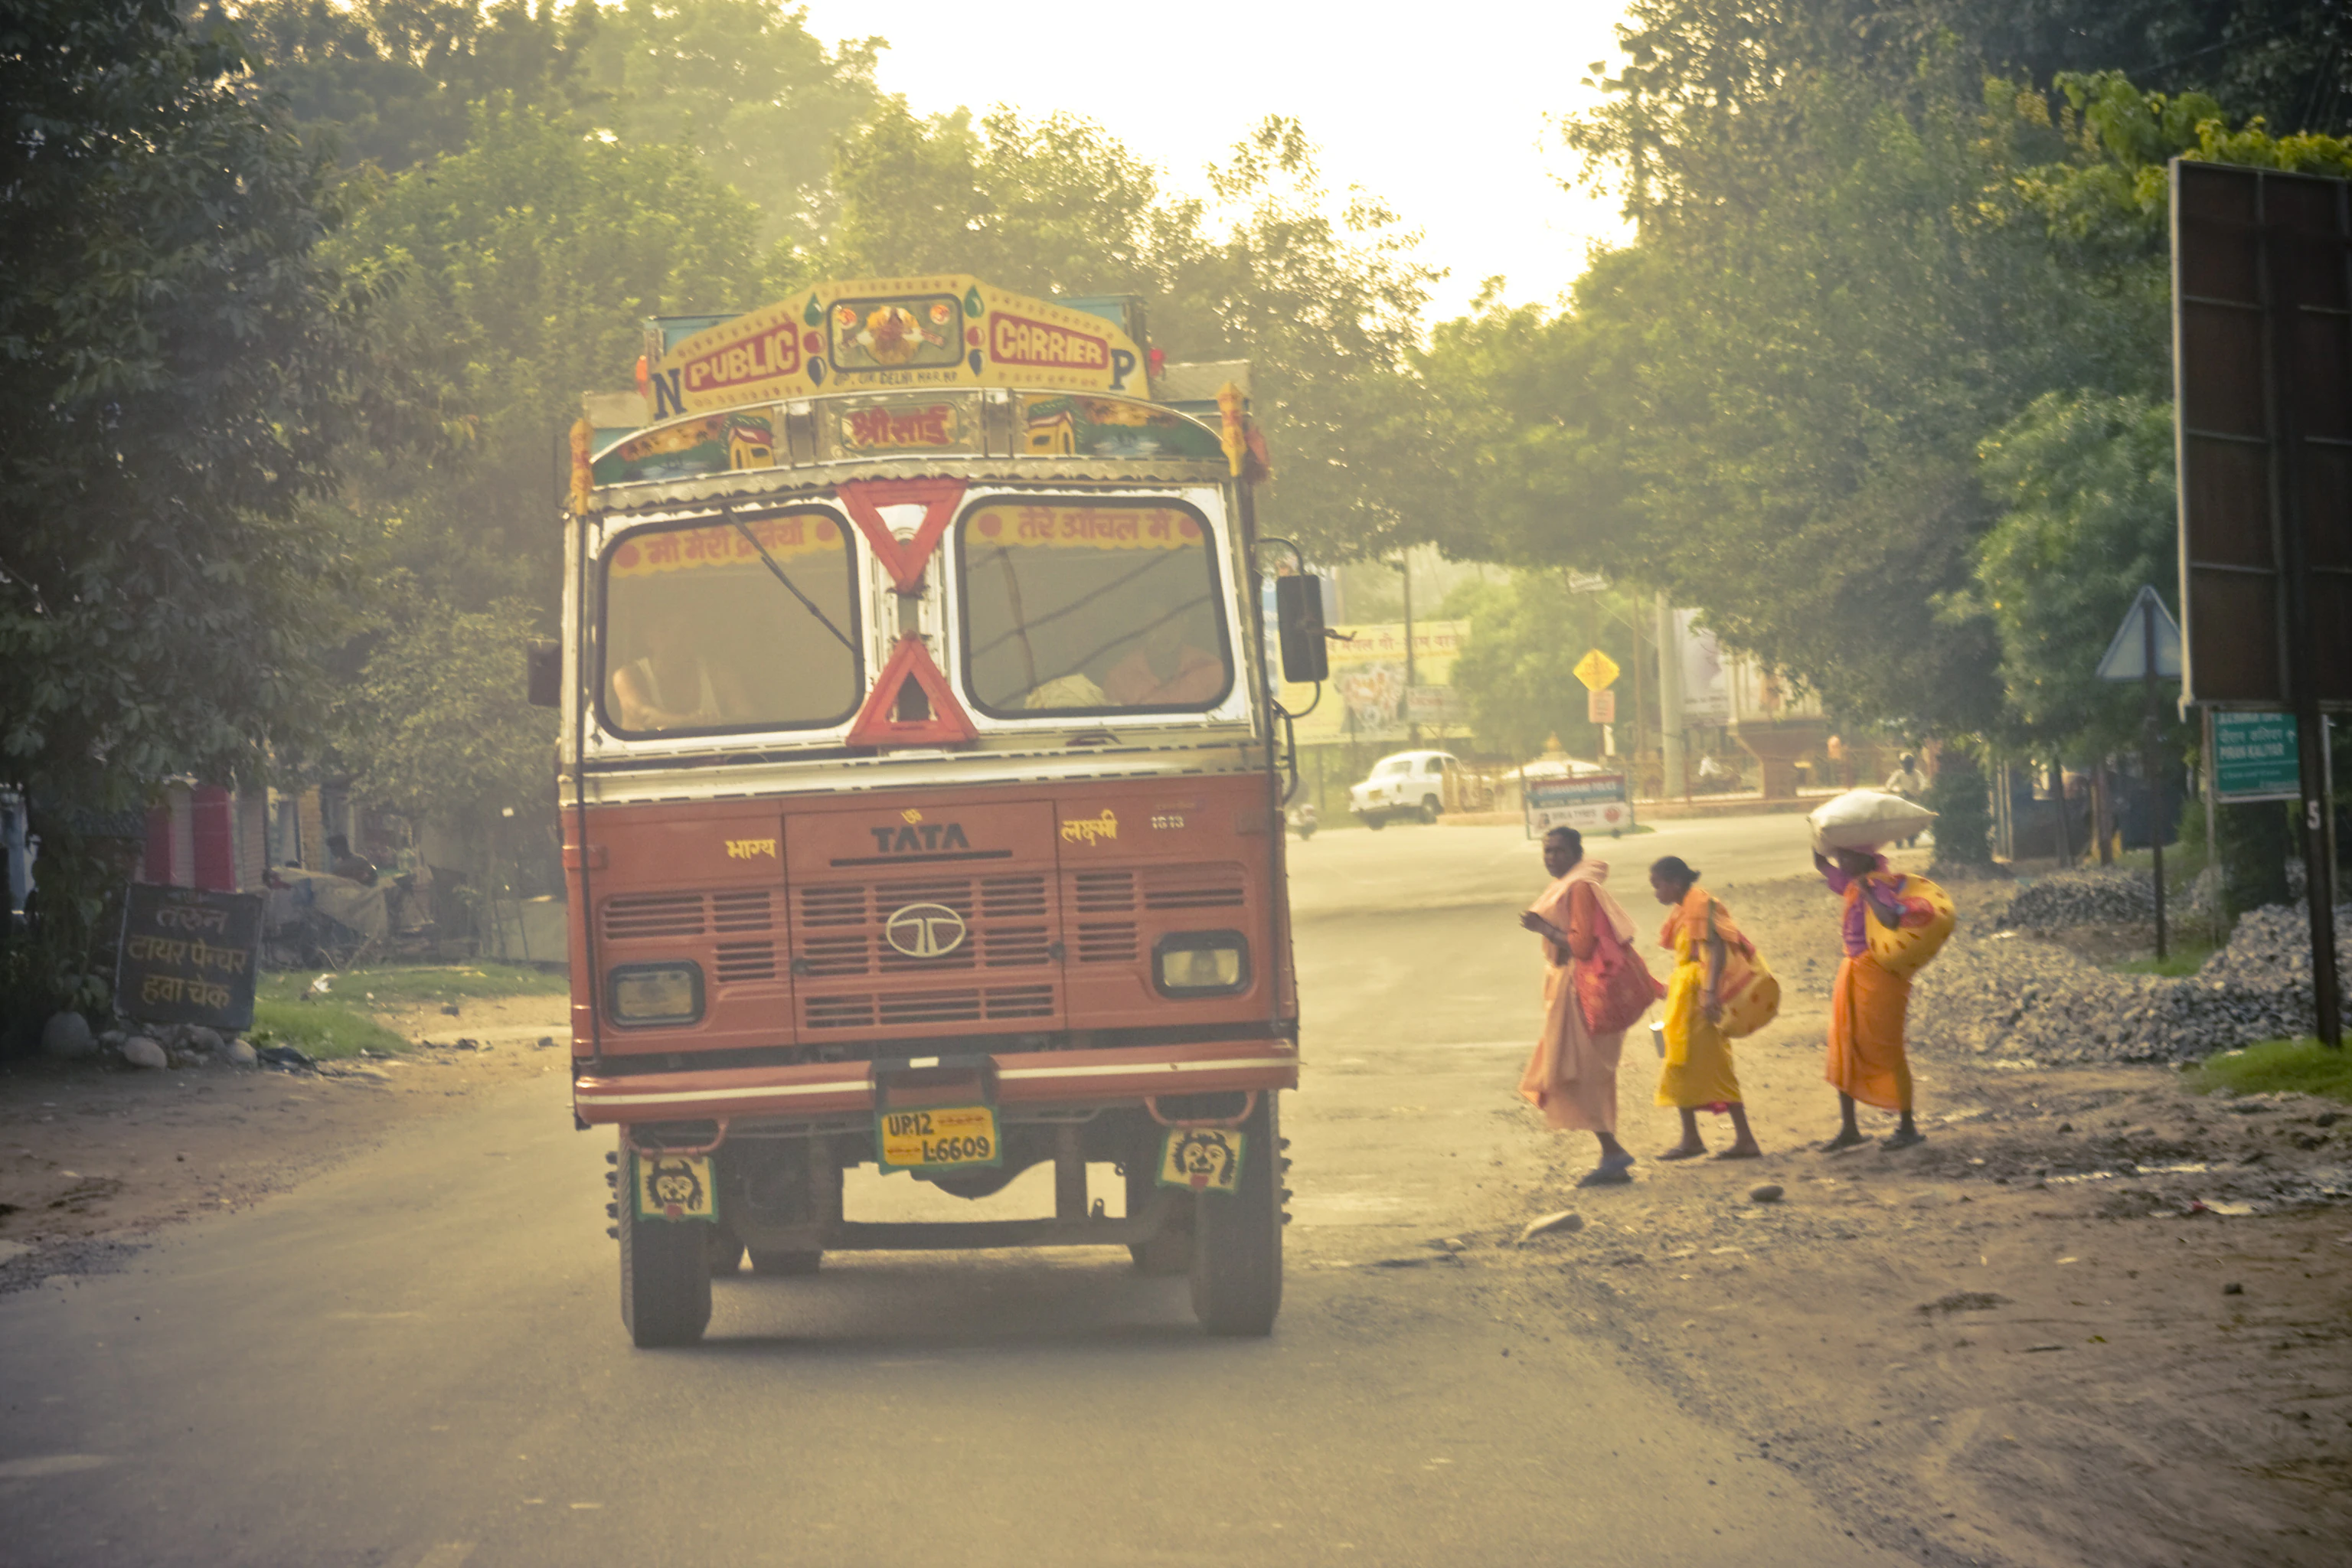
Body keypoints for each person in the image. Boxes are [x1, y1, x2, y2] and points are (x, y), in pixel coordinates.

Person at [1517, 827, 1642, 1186]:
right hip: (1566, 986)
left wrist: (1543, 928)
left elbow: (1583, 946)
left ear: (1576, 853)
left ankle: (1612, 1151)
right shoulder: (1571, 883)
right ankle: (1610, 1151)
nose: (1551, 858)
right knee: (1571, 1071)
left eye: (1559, 851)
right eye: (1547, 851)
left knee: (1577, 1071)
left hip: (1580, 989)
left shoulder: (1580, 887)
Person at [1814, 845, 1938, 1151]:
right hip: (1853, 969)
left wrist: (1867, 893)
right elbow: (1820, 863)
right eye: (1840, 857)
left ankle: (1907, 1126)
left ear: (1865, 858)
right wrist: (1816, 832)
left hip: (1878, 973)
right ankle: (1849, 1128)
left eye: (1847, 857)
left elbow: (1891, 920)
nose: (1840, 862)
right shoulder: (1853, 882)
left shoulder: (1878, 884)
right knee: (1845, 1043)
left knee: (1887, 1046)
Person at [1648, 856, 1762, 1160]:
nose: (1656, 892)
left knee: (1715, 1064)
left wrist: (1710, 994)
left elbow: (1715, 952)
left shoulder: (1700, 905)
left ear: (1675, 883)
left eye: (1658, 885)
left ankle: (1745, 1139)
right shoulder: (1685, 908)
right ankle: (1691, 1138)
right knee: (1678, 1060)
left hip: (1699, 995)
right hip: (1686, 993)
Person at [611, 614, 746, 732]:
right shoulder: (628, 676)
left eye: (684, 630)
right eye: (665, 629)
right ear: (648, 637)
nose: (675, 638)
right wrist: (693, 722)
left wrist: (721, 722)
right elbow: (644, 715)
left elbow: (747, 718)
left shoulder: (719, 673)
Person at [1103, 613, 1223, 705]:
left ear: (1184, 623)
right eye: (1156, 624)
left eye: (1172, 622)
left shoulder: (1210, 668)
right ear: (1143, 627)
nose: (1165, 632)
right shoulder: (1119, 678)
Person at [1883, 752, 1929, 847]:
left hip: (1913, 800)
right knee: (1896, 819)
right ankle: (1898, 838)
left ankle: (1913, 836)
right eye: (1905, 764)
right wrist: (1897, 791)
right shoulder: (1899, 774)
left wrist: (1917, 792)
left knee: (1916, 819)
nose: (1907, 766)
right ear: (1902, 764)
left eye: (1909, 764)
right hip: (1901, 799)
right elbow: (1889, 785)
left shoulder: (1917, 774)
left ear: (1913, 764)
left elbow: (1923, 784)